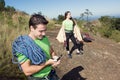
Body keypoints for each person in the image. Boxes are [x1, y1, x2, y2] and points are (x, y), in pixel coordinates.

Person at [12, 14, 60, 80]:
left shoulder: (44, 38)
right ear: (32, 28)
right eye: (41, 31)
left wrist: (55, 58)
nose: (44, 34)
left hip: (51, 74)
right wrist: (47, 63)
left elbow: (51, 51)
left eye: (45, 30)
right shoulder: (23, 46)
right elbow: (27, 71)